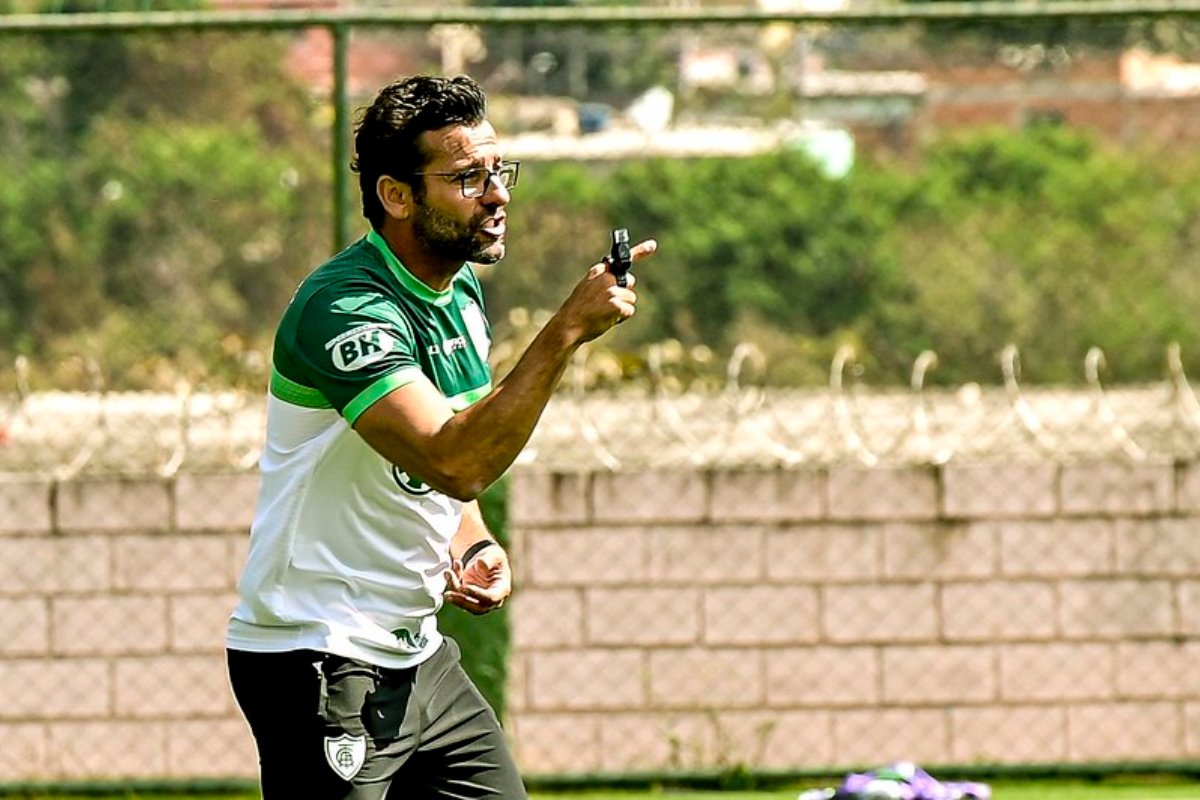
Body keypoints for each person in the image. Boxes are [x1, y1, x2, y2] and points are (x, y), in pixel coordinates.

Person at [225, 74, 655, 799]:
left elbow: (454, 458)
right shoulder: (346, 308)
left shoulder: (460, 291)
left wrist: (471, 541)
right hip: (321, 656)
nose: (497, 195)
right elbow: (454, 460)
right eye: (466, 178)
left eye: (497, 171)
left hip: (418, 656)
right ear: (397, 196)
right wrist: (566, 331)